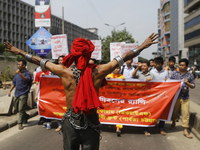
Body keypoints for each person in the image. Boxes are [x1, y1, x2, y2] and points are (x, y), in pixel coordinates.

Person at [4, 33, 158, 150]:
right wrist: (143, 46)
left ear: (74, 54)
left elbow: (38, 60)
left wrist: (19, 51)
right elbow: (124, 57)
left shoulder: (63, 71)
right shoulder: (98, 71)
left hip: (71, 122)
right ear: (89, 54)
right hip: (91, 121)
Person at [170, 58, 195, 139]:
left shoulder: (190, 75)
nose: (181, 67)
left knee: (185, 114)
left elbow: (193, 86)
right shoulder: (174, 74)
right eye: (180, 65)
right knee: (174, 112)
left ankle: (185, 130)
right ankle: (173, 122)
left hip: (185, 97)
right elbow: (170, 84)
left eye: (182, 65)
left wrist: (187, 83)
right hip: (176, 97)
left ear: (186, 66)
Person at [132, 60, 156, 136]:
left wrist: (150, 81)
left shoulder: (152, 75)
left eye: (144, 66)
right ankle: (139, 125)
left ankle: (145, 129)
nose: (143, 67)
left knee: (146, 113)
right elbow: (132, 76)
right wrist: (137, 68)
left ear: (148, 67)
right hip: (139, 97)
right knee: (139, 111)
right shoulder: (139, 73)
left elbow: (156, 85)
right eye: (142, 66)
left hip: (148, 97)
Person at [7, 59, 31, 130]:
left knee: (20, 109)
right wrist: (10, 91)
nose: (18, 65)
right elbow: (14, 83)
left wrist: (20, 74)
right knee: (17, 108)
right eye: (17, 64)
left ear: (24, 65)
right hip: (17, 93)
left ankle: (20, 123)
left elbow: (27, 80)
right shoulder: (16, 74)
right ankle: (26, 116)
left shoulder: (27, 73)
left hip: (24, 93)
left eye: (19, 64)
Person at [150, 56, 168, 135]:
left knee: (163, 111)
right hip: (153, 95)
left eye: (159, 64)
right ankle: (152, 125)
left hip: (163, 95)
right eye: (156, 64)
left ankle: (161, 128)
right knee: (153, 110)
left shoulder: (165, 72)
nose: (158, 65)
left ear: (162, 64)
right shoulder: (151, 72)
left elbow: (169, 83)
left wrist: (166, 81)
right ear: (154, 64)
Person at [106, 67, 125, 136]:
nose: (117, 70)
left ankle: (118, 128)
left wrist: (124, 80)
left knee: (119, 112)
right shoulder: (109, 76)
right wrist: (107, 79)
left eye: (118, 69)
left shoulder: (122, 76)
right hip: (110, 97)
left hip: (119, 97)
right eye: (115, 68)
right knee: (112, 111)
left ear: (120, 70)